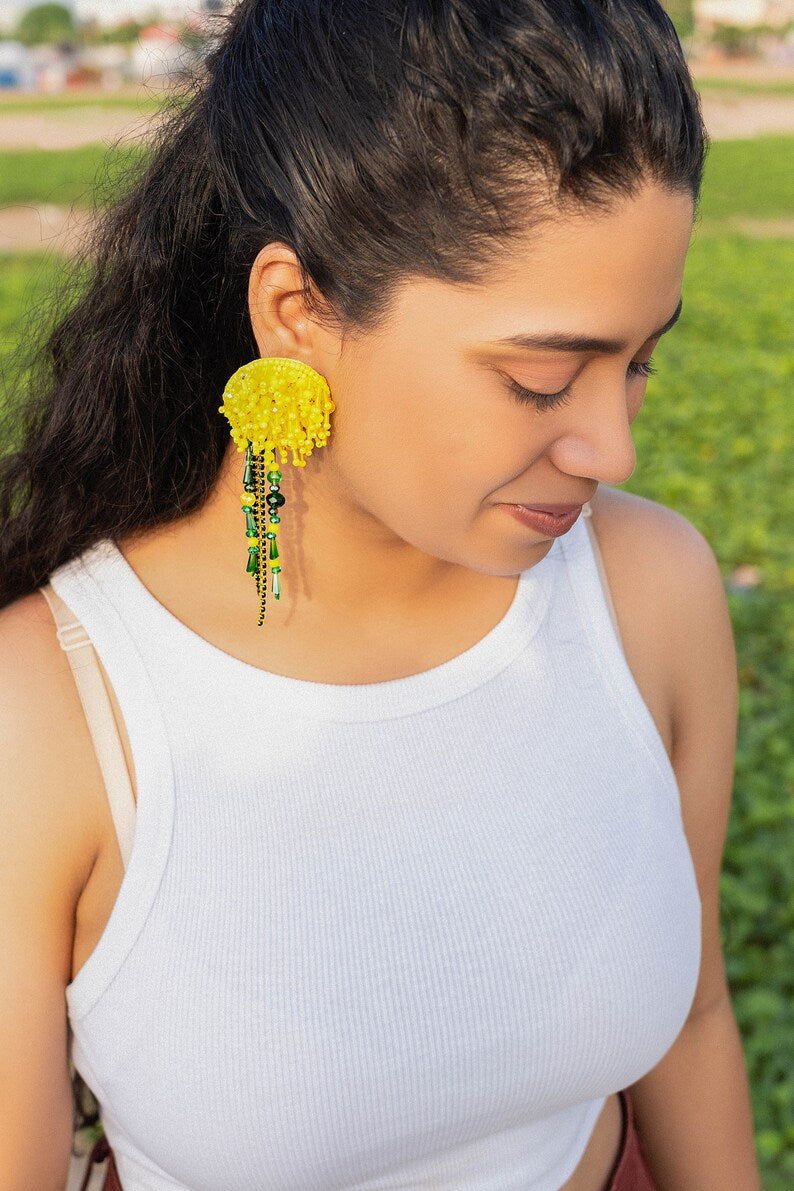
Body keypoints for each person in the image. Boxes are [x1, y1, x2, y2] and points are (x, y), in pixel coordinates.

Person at [0, 1, 762, 1188]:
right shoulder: (52, 711)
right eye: (540, 378)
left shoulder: (649, 592)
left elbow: (697, 1018)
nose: (610, 448)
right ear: (296, 314)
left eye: (639, 360)